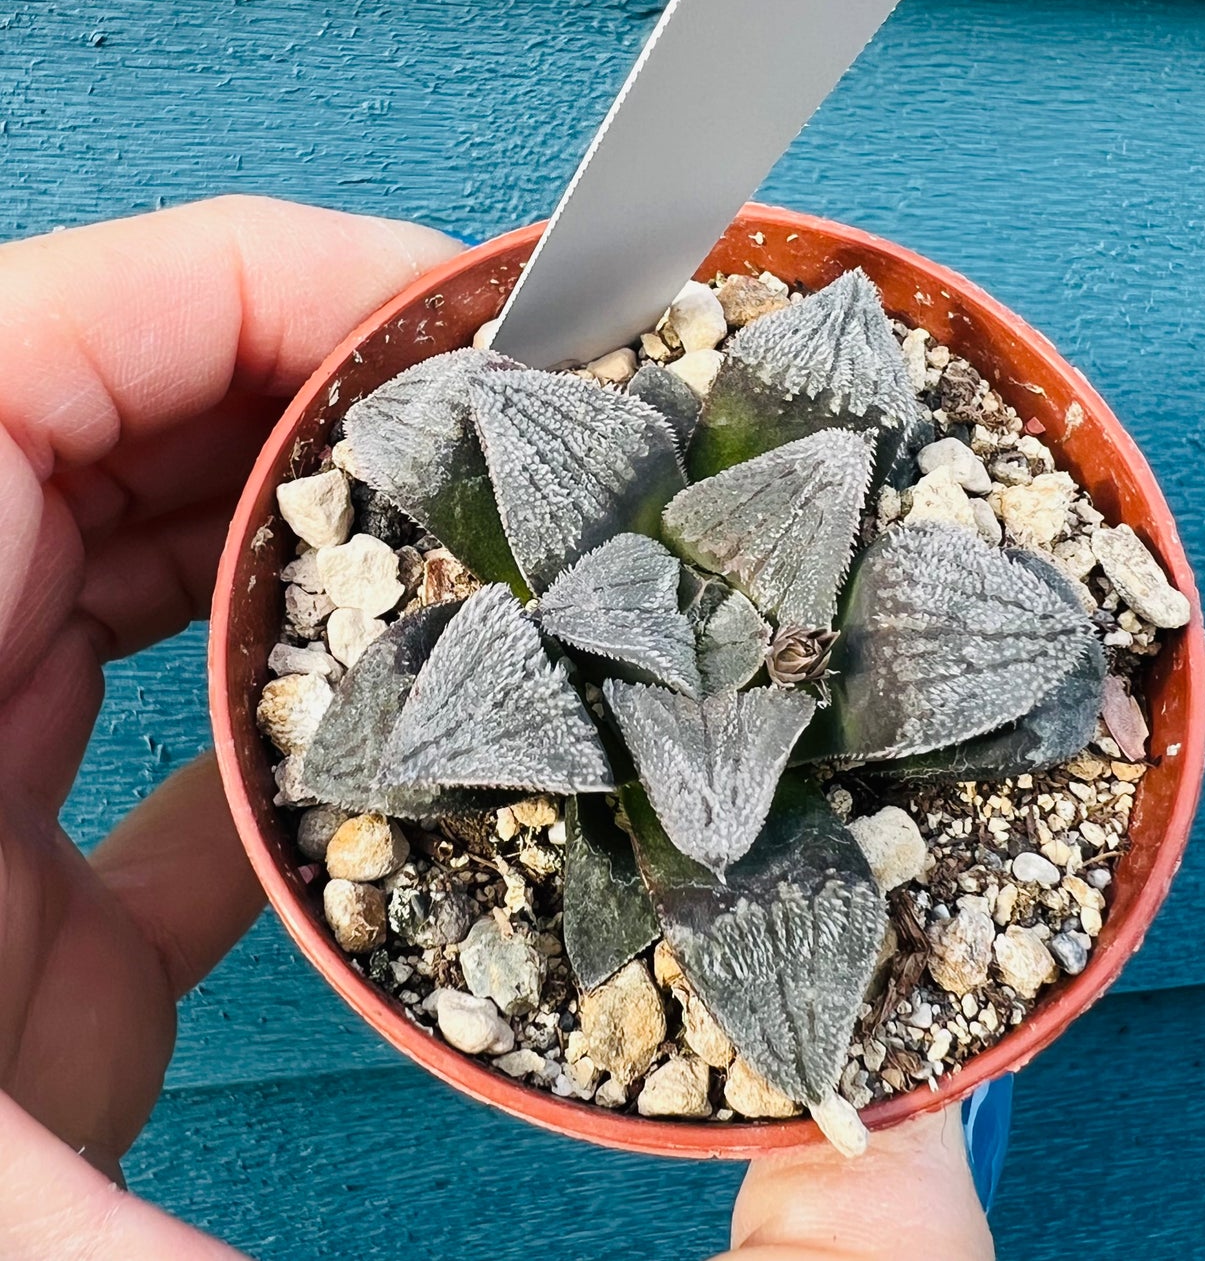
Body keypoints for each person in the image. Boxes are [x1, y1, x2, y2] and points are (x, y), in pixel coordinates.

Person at [0, 196, 997, 1261]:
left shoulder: (793, 528)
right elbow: (417, 436)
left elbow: (835, 440)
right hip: (593, 674)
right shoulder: (551, 619)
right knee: (417, 727)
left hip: (727, 745)